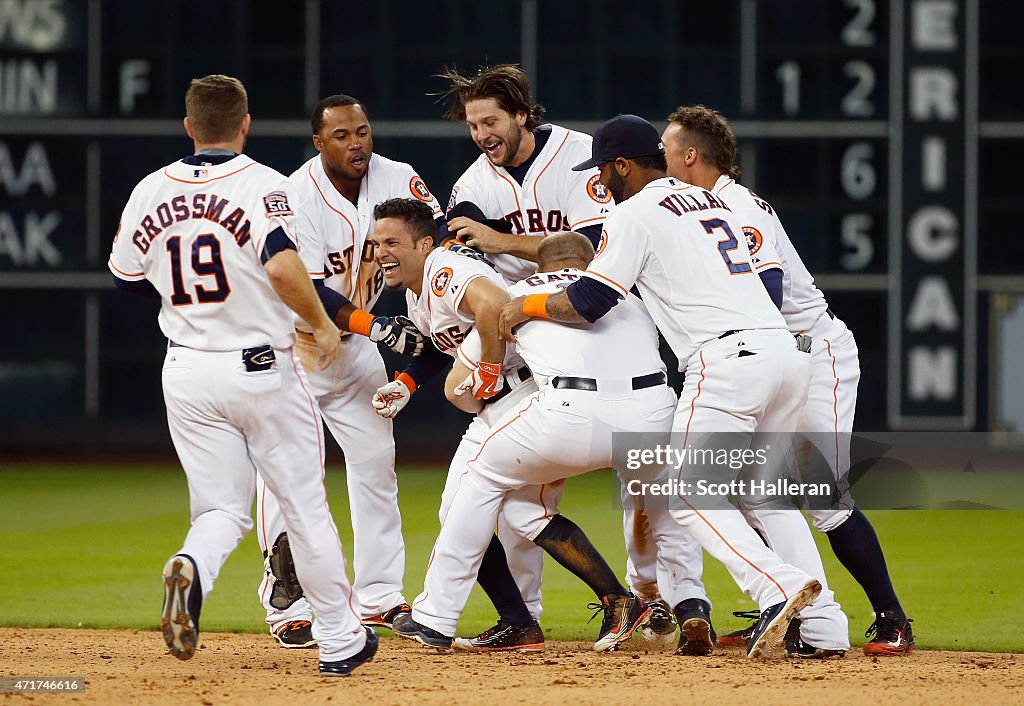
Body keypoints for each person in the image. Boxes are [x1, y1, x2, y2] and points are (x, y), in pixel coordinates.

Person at [499, 114, 827, 659]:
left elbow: (587, 302)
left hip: (729, 360)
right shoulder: (713, 201)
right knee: (763, 495)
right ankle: (822, 627)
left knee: (691, 491)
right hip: (784, 353)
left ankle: (777, 586)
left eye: (603, 171)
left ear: (623, 166)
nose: (599, 182)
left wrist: (525, 304)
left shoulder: (633, 213)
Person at [431, 64, 711, 646]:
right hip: (540, 343)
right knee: (542, 495)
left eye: (491, 120)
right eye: (473, 124)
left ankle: (674, 604)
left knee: (644, 498)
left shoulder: (583, 156)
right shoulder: (471, 184)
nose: (482, 133)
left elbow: (586, 252)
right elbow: (470, 256)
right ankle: (529, 614)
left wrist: (501, 242)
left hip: (591, 316)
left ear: (523, 115)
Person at [107, 74, 376, 676]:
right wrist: (324, 325)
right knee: (304, 505)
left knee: (221, 511)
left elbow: (126, 273)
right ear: (245, 124)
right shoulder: (264, 184)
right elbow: (282, 268)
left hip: (185, 368)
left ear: (189, 126)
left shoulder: (149, 189)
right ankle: (339, 639)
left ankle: (191, 568)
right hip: (261, 367)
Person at [662, 104, 913, 656]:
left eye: (667, 149)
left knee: (821, 495)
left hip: (812, 350)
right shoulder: (700, 206)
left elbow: (767, 290)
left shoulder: (736, 205)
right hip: (773, 356)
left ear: (690, 156)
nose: (661, 159)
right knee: (753, 490)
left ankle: (892, 618)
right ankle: (790, 611)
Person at [391, 231, 698, 653]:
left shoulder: (517, 294)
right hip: (651, 416)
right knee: (659, 510)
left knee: (477, 479)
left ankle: (436, 616)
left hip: (564, 417)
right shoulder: (626, 297)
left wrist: (476, 392)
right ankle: (686, 605)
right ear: (590, 266)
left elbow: (457, 388)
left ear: (540, 267)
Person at [252, 94, 445, 649]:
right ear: (319, 142)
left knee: (376, 465)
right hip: (296, 349)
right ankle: (287, 606)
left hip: (354, 351)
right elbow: (305, 289)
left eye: (362, 131)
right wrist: (377, 326)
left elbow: (430, 243)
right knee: (287, 476)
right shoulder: (294, 195)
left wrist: (412, 318)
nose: (357, 142)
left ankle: (380, 596)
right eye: (341, 135)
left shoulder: (398, 176)